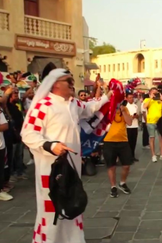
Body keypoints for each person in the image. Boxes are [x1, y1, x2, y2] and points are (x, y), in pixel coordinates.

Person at [21, 68, 111, 243]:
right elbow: (28, 133)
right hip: (51, 169)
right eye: (68, 81)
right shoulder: (43, 105)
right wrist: (50, 145)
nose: (72, 85)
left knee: (72, 202)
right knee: (52, 209)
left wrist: (109, 96)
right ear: (55, 85)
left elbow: (90, 107)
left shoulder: (74, 104)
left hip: (73, 167)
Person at [104, 101, 133, 197]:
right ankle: (113, 186)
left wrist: (123, 111)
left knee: (126, 165)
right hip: (109, 141)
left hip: (123, 141)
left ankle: (122, 182)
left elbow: (129, 122)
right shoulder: (108, 109)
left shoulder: (125, 109)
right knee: (111, 166)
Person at [143, 88, 162, 163]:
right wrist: (150, 98)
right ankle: (153, 155)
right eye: (153, 93)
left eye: (156, 93)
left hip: (160, 122)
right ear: (150, 93)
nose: (155, 94)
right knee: (152, 138)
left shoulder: (159, 100)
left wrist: (161, 99)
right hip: (151, 122)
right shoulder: (147, 100)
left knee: (161, 138)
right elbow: (144, 106)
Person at [125, 93, 139, 162]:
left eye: (132, 97)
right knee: (128, 142)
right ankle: (128, 157)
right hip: (128, 126)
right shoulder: (125, 107)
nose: (131, 99)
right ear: (127, 98)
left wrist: (136, 116)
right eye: (129, 97)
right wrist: (131, 117)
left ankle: (132, 156)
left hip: (135, 125)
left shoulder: (135, 106)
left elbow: (138, 115)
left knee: (134, 142)